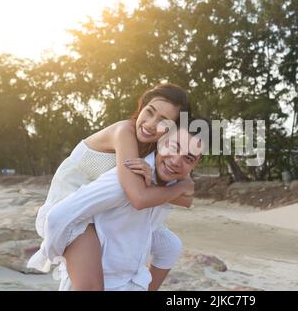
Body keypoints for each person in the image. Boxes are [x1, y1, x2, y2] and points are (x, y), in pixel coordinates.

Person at [28, 83, 194, 290]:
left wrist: (163, 183)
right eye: (149, 112)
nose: (151, 124)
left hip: (101, 209)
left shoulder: (160, 149)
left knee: (170, 246)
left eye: (163, 122)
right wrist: (176, 188)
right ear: (141, 106)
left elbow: (188, 198)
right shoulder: (123, 131)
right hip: (72, 212)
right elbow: (139, 197)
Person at [43, 125, 208, 291]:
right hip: (99, 279)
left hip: (133, 280)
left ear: (195, 164)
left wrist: (178, 188)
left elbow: (188, 197)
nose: (175, 161)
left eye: (188, 158)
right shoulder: (127, 177)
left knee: (171, 245)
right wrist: (59, 257)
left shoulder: (170, 178)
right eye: (173, 147)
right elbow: (57, 217)